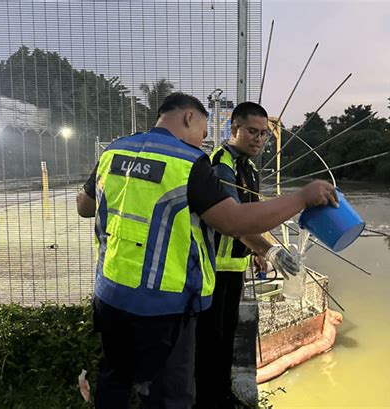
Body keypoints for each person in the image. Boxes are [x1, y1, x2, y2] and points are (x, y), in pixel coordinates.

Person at [77, 92, 338, 409]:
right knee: (170, 395)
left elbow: (85, 206)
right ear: (189, 117)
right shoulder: (189, 163)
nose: (202, 141)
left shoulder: (114, 152)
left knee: (115, 381)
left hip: (111, 294)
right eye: (202, 132)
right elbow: (233, 220)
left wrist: (266, 251)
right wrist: (301, 199)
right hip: (164, 304)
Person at [194, 102, 297, 409]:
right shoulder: (220, 164)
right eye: (252, 132)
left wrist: (256, 253)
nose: (259, 140)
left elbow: (251, 218)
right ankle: (207, 399)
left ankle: (221, 395)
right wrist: (271, 248)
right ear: (234, 128)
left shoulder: (248, 168)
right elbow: (234, 220)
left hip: (234, 265)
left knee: (226, 337)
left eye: (265, 134)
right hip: (212, 268)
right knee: (211, 340)